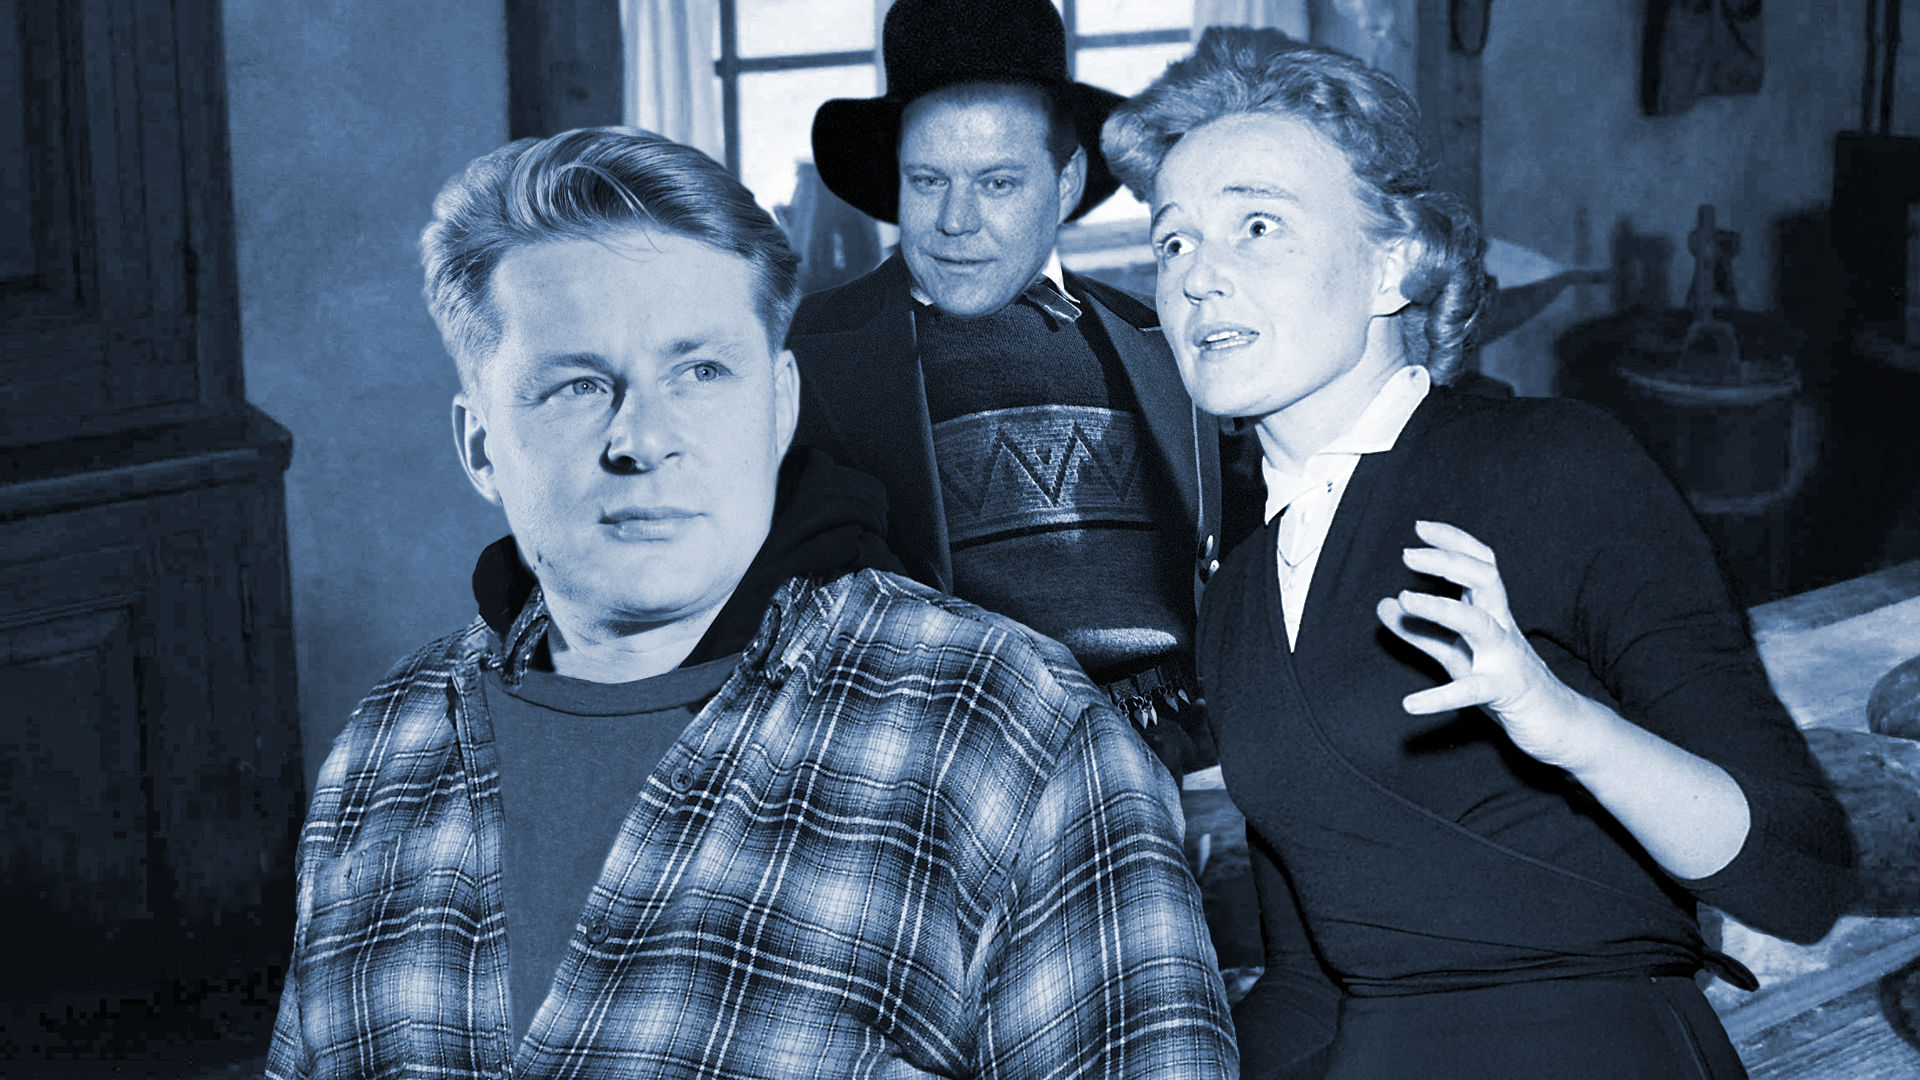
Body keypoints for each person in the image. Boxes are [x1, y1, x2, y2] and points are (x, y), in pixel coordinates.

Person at [262, 127, 1235, 1080]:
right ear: (480, 448)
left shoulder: (1015, 735)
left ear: (779, 407)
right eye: (575, 386)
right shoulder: (384, 750)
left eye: (700, 373)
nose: (642, 440)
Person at [1102, 28, 1855, 1080]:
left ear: (1393, 267)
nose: (1198, 278)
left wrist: (1566, 725)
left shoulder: (1550, 464)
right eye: (1174, 242)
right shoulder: (1237, 596)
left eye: (1256, 225)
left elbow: (1801, 874)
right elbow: (1312, 983)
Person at [791, 0, 1261, 775]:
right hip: (941, 770)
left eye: (998, 182)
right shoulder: (804, 354)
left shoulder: (1167, 336)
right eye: (928, 180)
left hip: (1192, 757)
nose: (955, 220)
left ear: (1066, 182)